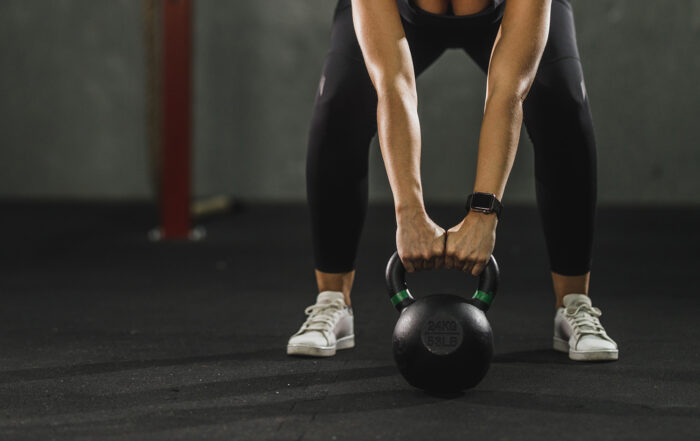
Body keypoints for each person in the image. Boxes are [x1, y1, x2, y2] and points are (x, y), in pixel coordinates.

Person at [287, 0, 618, 361]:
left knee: (563, 103)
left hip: (509, 14)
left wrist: (483, 213)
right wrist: (409, 211)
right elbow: (393, 85)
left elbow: (508, 90)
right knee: (340, 103)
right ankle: (332, 301)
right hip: (398, 16)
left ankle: (574, 303)